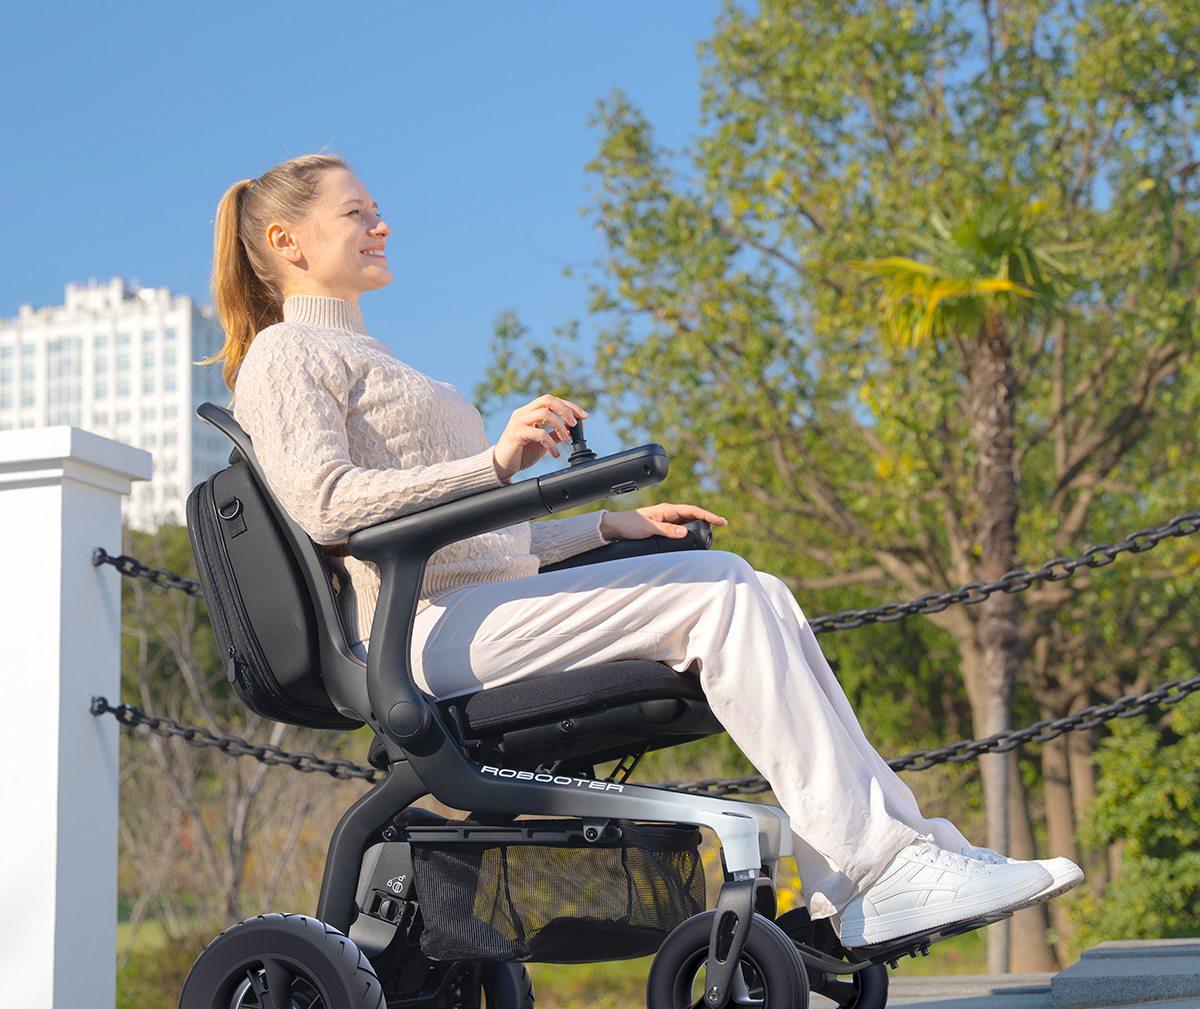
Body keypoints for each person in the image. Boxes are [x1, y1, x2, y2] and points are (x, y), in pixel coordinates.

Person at [210, 153, 1081, 949]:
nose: (382, 224)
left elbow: (470, 540)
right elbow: (328, 508)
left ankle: (902, 855)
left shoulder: (367, 353)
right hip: (418, 634)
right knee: (720, 595)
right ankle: (876, 869)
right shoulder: (287, 353)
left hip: (470, 610)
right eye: (358, 212)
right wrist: (494, 463)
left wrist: (601, 528)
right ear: (287, 242)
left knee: (756, 588)